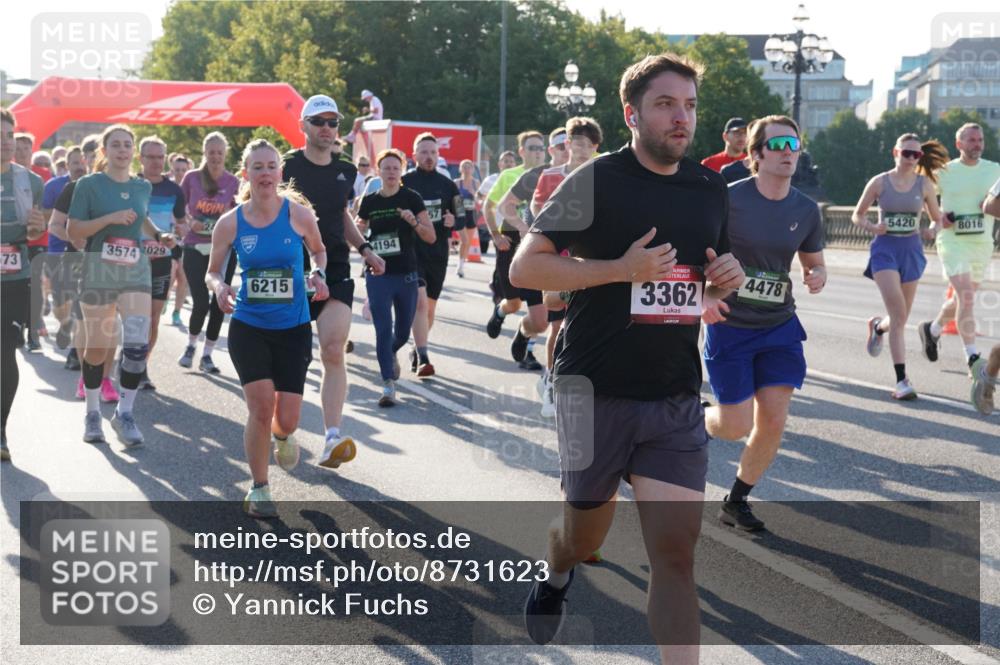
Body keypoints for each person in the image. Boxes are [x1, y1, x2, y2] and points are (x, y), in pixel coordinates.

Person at [510, 54, 744, 662]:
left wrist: (727, 278)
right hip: (595, 391)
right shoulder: (596, 181)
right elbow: (525, 267)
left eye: (689, 105)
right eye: (665, 104)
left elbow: (705, 283)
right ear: (631, 113)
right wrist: (619, 269)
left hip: (672, 398)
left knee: (675, 557)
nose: (681, 118)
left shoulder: (707, 187)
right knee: (582, 534)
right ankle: (557, 573)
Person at [702, 116, 826, 532]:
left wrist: (817, 275)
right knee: (733, 426)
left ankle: (736, 500)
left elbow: (813, 260)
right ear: (756, 155)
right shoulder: (727, 198)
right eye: (779, 144)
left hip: (778, 326)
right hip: (730, 323)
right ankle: (699, 416)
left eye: (795, 143)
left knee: (773, 419)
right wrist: (703, 296)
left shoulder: (806, 210)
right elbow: (692, 252)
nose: (790, 150)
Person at [206, 139, 329, 517]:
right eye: (257, 167)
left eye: (270, 166)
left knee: (287, 417)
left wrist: (318, 272)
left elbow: (318, 250)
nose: (264, 173)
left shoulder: (299, 215)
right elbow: (212, 270)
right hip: (250, 325)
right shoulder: (231, 223)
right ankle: (259, 487)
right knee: (260, 407)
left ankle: (282, 434)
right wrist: (219, 287)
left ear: (280, 173)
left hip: (292, 326)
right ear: (246, 174)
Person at [282, 94, 385, 468]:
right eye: (319, 121)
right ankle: (283, 430)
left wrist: (366, 249)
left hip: (335, 266)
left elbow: (341, 214)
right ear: (304, 126)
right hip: (289, 269)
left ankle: (331, 437)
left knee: (332, 349)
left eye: (332, 122)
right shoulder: (285, 166)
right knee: (291, 358)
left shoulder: (346, 170)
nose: (327, 128)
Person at [67, 124, 177, 447]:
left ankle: (124, 413)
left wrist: (159, 235)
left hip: (135, 272)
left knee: (137, 343)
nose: (122, 150)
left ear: (134, 150)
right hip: (99, 272)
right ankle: (92, 412)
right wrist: (110, 218)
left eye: (127, 145)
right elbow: (75, 230)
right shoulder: (88, 185)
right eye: (115, 145)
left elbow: (141, 217)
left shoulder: (142, 187)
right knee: (98, 346)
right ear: (104, 151)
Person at [852, 133, 948, 399]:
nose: (911, 158)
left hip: (912, 252)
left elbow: (937, 219)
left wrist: (932, 229)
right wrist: (872, 226)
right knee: (898, 313)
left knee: (900, 316)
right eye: (906, 153)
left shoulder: (924, 184)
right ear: (895, 153)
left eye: (916, 155)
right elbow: (857, 215)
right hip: (885, 251)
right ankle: (901, 381)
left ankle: (877, 327)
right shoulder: (880, 182)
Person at [529, 117, 603, 417]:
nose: (582, 149)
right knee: (557, 321)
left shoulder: (602, 176)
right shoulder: (550, 176)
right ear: (567, 144)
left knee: (584, 322)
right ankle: (550, 379)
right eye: (577, 143)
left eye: (588, 145)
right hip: (556, 257)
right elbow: (536, 208)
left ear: (596, 148)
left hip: (589, 258)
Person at [918, 123, 1000, 371]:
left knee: (962, 299)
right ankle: (972, 356)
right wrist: (938, 216)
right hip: (952, 241)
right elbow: (924, 198)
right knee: (965, 295)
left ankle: (931, 329)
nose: (977, 144)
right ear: (959, 144)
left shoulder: (994, 170)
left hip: (982, 243)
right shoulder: (945, 171)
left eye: (980, 140)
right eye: (972, 140)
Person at [358, 149, 435, 406]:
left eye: (395, 168)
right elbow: (358, 231)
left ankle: (389, 353)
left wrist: (413, 222)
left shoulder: (411, 198)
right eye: (386, 168)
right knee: (382, 329)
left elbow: (430, 236)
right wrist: (360, 237)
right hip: (378, 273)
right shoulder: (369, 201)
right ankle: (388, 384)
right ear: (378, 171)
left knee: (402, 332)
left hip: (406, 273)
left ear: (401, 171)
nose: (391, 172)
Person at [483, 130, 557, 371]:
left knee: (541, 319)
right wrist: (495, 235)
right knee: (514, 303)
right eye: (532, 148)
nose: (537, 152)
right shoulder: (509, 175)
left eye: (540, 147)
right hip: (511, 242)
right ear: (522, 151)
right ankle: (501, 310)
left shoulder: (550, 174)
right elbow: (490, 206)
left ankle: (526, 342)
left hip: (538, 246)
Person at [1, 109, 46, 461]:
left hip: (14, 279)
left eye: (9, 137)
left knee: (5, 354)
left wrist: (33, 227)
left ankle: (0, 430)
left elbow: (32, 236)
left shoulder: (30, 182)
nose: (4, 143)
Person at [178, 131, 240, 373]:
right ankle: (191, 345)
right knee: (201, 303)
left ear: (225, 155)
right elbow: (178, 207)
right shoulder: (192, 178)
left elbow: (239, 213)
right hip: (194, 246)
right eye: (211, 152)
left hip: (223, 249)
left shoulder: (232, 182)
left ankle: (207, 355)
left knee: (219, 302)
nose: (215, 157)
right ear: (204, 153)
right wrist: (186, 224)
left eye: (220, 153)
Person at [401, 132, 460, 377]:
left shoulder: (448, 185)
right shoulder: (404, 182)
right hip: (411, 251)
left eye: (433, 153)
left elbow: (463, 217)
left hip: (438, 253)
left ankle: (417, 345)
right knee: (421, 303)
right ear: (414, 155)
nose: (429, 157)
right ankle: (424, 355)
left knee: (431, 308)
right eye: (424, 152)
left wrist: (452, 220)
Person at [138, 136, 188, 390]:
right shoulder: (132, 184)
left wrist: (178, 236)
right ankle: (127, 360)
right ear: (141, 159)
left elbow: (182, 224)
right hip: (131, 261)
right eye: (150, 157)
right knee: (132, 316)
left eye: (160, 157)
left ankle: (141, 366)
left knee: (153, 317)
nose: (156, 162)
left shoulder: (174, 190)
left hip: (161, 260)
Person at [14, 133, 51, 350]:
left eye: (26, 149)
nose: (21, 153)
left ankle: (33, 334)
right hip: (13, 240)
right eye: (17, 148)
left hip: (39, 238)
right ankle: (16, 327)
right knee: (17, 285)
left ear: (32, 150)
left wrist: (39, 219)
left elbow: (51, 208)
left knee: (34, 284)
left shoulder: (43, 175)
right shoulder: (6, 174)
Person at [476, 151, 517, 256]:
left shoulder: (520, 179)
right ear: (500, 164)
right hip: (498, 227)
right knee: (502, 261)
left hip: (517, 226)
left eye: (511, 162)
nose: (509, 164)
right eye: (506, 161)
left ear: (515, 164)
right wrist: (483, 203)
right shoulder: (491, 179)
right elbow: (479, 195)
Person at [167, 153, 192, 327]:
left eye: (183, 170)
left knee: (183, 277)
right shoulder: (166, 188)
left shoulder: (193, 189)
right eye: (177, 170)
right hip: (167, 237)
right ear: (171, 170)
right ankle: (164, 298)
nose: (180, 173)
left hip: (186, 239)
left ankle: (176, 312)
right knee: (169, 273)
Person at [454, 159, 481, 277]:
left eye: (469, 167)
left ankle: (462, 263)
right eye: (464, 167)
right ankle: (460, 266)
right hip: (460, 212)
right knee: (464, 240)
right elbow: (453, 199)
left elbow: (480, 200)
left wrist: (473, 193)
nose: (466, 169)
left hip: (471, 213)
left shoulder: (476, 183)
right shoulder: (456, 183)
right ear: (460, 169)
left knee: (467, 242)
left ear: (473, 170)